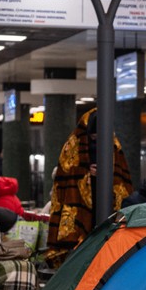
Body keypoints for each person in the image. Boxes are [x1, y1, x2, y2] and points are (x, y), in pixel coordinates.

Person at [44, 109, 132, 269]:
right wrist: (86, 173)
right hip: (81, 208)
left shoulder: (113, 146)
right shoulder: (73, 146)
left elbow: (121, 177)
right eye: (93, 138)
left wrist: (105, 174)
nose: (96, 141)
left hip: (105, 204)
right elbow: (68, 176)